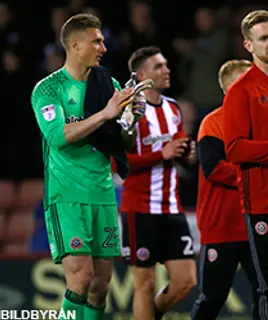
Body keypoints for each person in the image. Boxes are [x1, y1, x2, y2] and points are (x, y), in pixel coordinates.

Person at [30, 13, 136, 320]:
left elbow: (122, 142)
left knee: (101, 285)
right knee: (81, 278)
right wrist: (106, 114)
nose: (104, 47)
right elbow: (59, 137)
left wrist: (131, 122)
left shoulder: (108, 83)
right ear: (75, 45)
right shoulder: (49, 90)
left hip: (102, 193)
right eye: (97, 41)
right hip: (67, 195)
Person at [222, 10, 268, 320]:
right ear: (248, 46)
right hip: (264, 204)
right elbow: (235, 148)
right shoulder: (241, 92)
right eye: (264, 38)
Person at [120, 46, 197, 320]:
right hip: (139, 209)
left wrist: (187, 153)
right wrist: (159, 155)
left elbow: (177, 145)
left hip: (171, 208)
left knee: (186, 281)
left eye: (166, 65)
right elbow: (119, 164)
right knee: (145, 284)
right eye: (159, 67)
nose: (167, 70)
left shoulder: (173, 108)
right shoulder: (129, 111)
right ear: (141, 75)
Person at [191, 59, 257, 319]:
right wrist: (257, 174)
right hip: (222, 226)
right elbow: (214, 169)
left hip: (256, 224)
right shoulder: (213, 123)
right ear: (230, 89)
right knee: (213, 298)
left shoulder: (262, 123)